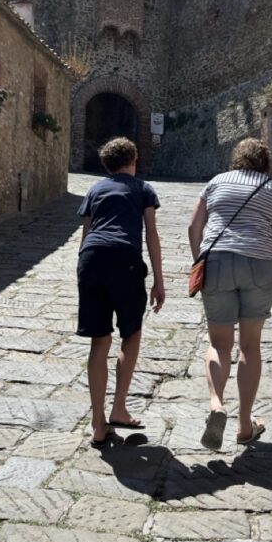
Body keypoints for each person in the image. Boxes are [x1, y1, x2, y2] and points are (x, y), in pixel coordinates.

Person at [188, 138, 272, 450]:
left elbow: (194, 227)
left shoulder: (216, 182)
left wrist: (200, 262)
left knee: (219, 343)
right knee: (250, 346)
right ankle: (245, 425)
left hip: (217, 261)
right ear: (265, 162)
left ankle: (217, 405)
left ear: (237, 159)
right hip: (260, 265)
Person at [77, 137, 165, 447]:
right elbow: (151, 234)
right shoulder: (143, 189)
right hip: (124, 260)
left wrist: (84, 272)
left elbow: (86, 234)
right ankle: (119, 408)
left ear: (106, 165)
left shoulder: (94, 190)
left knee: (99, 341)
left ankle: (98, 425)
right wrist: (159, 280)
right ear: (134, 161)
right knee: (131, 333)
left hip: (91, 260)